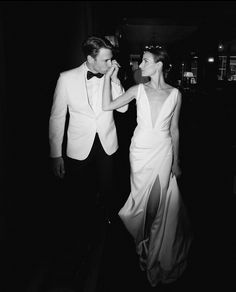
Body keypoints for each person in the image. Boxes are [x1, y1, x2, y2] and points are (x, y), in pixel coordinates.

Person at [102, 45, 192, 286]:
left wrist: (176, 161)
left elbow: (174, 130)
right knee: (140, 204)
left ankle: (149, 249)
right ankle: (141, 240)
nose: (140, 65)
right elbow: (107, 106)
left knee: (157, 204)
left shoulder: (175, 94)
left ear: (159, 64)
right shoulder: (137, 89)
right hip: (140, 153)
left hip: (162, 152)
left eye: (145, 61)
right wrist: (107, 79)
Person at [48, 35, 128, 257]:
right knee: (79, 196)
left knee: (108, 191)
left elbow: (123, 109)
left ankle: (107, 236)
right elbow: (57, 117)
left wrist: (114, 79)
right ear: (90, 58)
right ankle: (81, 238)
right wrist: (56, 154)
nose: (110, 64)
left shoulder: (111, 76)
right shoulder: (66, 79)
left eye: (111, 59)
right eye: (105, 60)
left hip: (107, 144)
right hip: (78, 146)